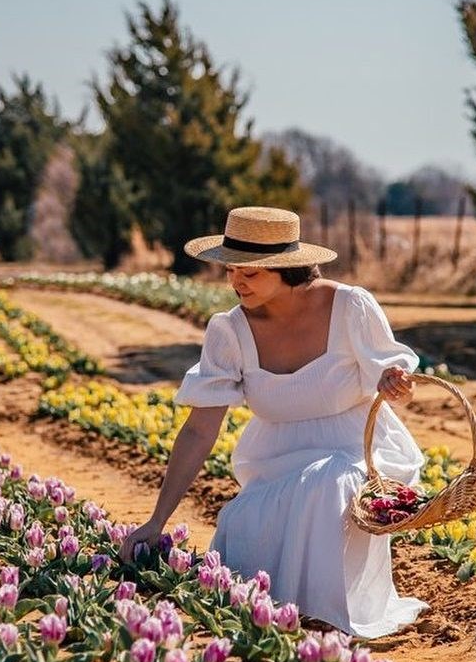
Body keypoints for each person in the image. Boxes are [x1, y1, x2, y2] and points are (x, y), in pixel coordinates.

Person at [120, 206, 429, 638]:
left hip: (357, 452)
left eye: (251, 272)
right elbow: (198, 429)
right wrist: (156, 521)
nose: (235, 282)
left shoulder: (349, 306)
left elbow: (394, 376)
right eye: (231, 269)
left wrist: (394, 382)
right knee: (240, 523)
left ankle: (328, 619)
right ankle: (276, 620)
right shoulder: (229, 331)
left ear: (288, 268)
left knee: (329, 486)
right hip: (276, 464)